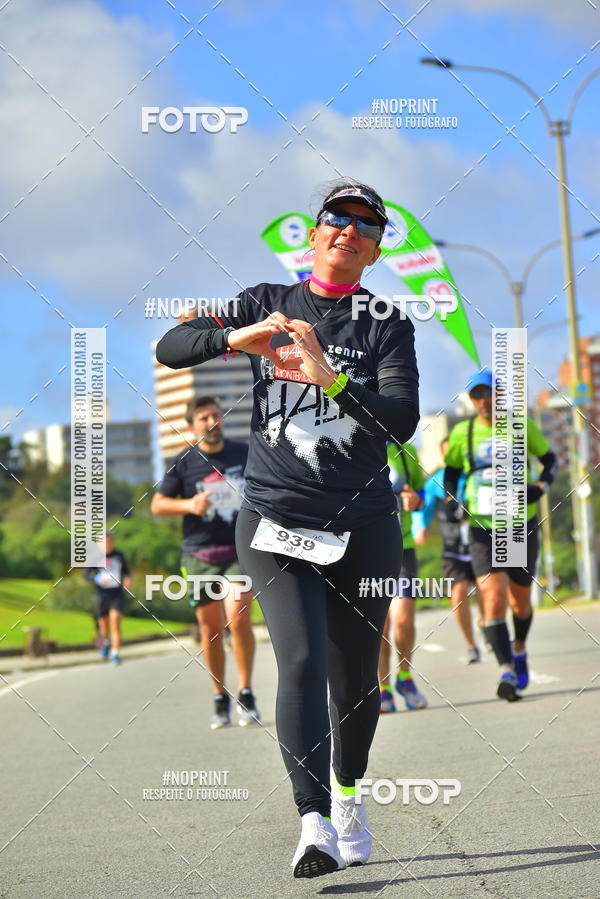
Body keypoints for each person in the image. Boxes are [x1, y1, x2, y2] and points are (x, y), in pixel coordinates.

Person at [156, 181, 419, 877]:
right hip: (274, 514)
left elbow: (401, 421)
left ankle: (349, 792)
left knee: (357, 679)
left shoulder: (387, 321)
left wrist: (331, 379)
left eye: (367, 225)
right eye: (339, 218)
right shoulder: (264, 299)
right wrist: (233, 336)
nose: (350, 230)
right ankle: (313, 823)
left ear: (376, 247)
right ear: (314, 232)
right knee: (299, 660)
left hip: (363, 520)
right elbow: (172, 343)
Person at [444, 369, 557, 702]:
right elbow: (450, 473)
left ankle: (519, 647)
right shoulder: (462, 433)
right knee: (492, 596)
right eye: (476, 395)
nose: (482, 401)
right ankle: (506, 669)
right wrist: (451, 498)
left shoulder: (520, 427)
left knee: (520, 602)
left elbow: (550, 459)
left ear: (499, 395)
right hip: (481, 524)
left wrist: (542, 486)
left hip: (520, 522)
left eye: (487, 393)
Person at [151, 395, 260, 729]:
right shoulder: (183, 462)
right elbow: (157, 505)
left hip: (240, 550)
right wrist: (189, 506)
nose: (212, 421)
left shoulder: (243, 453)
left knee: (238, 618)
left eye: (216, 414)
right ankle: (219, 696)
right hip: (200, 554)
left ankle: (246, 692)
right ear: (191, 425)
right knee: (210, 630)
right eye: (203, 417)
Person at [413, 436, 484, 664]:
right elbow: (423, 507)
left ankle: (487, 625)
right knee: (459, 594)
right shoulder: (436, 480)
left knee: (487, 592)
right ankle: (471, 645)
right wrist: (420, 527)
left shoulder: (476, 474)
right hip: (452, 546)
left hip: (479, 543)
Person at [379, 442, 428, 712]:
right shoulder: (350, 441)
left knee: (404, 619)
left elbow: (419, 490)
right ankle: (382, 687)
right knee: (380, 626)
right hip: (367, 550)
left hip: (402, 546)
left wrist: (415, 500)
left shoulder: (405, 449)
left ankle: (405, 677)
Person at [84, 530, 131, 665]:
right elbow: (86, 574)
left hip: (116, 594)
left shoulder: (119, 555)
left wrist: (128, 579)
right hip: (101, 595)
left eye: (109, 542)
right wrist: (97, 578)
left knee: (115, 622)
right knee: (104, 627)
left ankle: (115, 654)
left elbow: (127, 572)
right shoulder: (94, 557)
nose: (106, 545)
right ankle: (105, 642)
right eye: (103, 542)